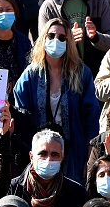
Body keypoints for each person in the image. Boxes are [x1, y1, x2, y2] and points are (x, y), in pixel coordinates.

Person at [14, 17, 100, 184]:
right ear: (43, 38)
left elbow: (92, 115)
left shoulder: (82, 73)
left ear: (68, 42)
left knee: (72, 196)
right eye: (51, 35)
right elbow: (20, 113)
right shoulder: (31, 74)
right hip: (40, 151)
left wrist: (91, 151)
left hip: (74, 151)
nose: (56, 40)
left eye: (62, 37)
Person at [6, 128, 88, 207]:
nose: (49, 159)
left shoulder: (76, 192)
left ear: (62, 158)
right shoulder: (14, 187)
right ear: (31, 156)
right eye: (42, 153)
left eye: (55, 154)